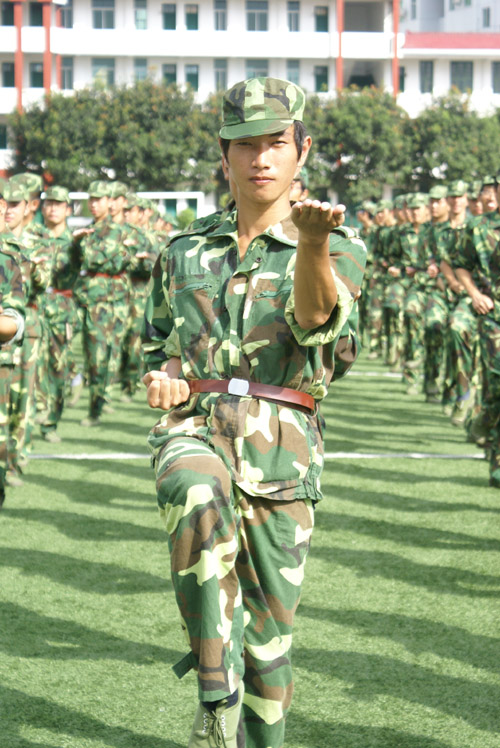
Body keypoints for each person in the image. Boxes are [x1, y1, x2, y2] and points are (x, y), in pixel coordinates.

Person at [142, 77, 366, 748]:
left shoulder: (338, 243)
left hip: (282, 452)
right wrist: (165, 377)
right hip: (198, 427)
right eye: (244, 145)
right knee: (192, 484)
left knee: (269, 650)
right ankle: (216, 686)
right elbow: (161, 347)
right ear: (224, 154)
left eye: (275, 143)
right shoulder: (184, 250)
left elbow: (317, 322)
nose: (260, 158)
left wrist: (313, 244)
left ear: (303, 149)